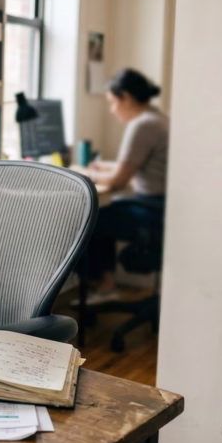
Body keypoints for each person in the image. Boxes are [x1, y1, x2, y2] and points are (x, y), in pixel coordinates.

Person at [81, 69, 169, 303]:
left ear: (126, 97)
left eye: (112, 103)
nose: (112, 110)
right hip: (160, 205)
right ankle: (106, 284)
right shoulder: (157, 118)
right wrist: (105, 170)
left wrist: (85, 174)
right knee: (106, 213)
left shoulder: (143, 125)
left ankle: (101, 285)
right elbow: (135, 172)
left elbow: (120, 180)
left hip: (153, 210)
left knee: (87, 221)